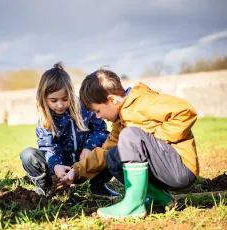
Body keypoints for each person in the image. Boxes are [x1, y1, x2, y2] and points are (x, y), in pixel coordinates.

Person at [61, 69, 198, 219]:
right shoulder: (121, 122)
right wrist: (76, 171)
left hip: (180, 168)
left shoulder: (143, 102)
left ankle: (134, 206)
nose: (99, 117)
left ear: (112, 100)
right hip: (164, 169)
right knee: (113, 155)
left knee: (131, 135)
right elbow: (104, 152)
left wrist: (155, 138)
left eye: (98, 111)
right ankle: (161, 198)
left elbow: (185, 111)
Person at [20, 63, 121, 199]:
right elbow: (49, 147)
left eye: (65, 99)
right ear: (44, 98)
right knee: (28, 155)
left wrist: (88, 148)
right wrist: (56, 166)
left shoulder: (84, 109)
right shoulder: (45, 121)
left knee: (110, 148)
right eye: (54, 100)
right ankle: (46, 188)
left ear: (71, 95)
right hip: (60, 169)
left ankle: (98, 187)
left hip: (84, 165)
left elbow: (101, 131)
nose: (60, 105)